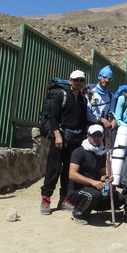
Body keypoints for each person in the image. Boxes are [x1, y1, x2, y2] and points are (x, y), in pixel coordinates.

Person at [40, 70, 88, 215]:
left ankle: (64, 199)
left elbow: (82, 120)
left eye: (81, 80)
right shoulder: (61, 95)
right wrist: (57, 135)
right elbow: (52, 116)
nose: (78, 83)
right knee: (53, 169)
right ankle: (45, 199)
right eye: (76, 80)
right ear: (70, 81)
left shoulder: (82, 99)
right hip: (60, 138)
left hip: (75, 140)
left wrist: (84, 136)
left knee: (69, 170)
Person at [67, 124, 124, 225]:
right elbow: (72, 174)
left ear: (103, 136)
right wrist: (93, 182)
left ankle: (89, 210)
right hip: (77, 190)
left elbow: (102, 175)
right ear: (88, 136)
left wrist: (106, 178)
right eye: (94, 135)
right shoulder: (79, 152)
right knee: (93, 195)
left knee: (119, 198)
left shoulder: (101, 153)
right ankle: (78, 213)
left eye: (99, 135)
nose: (96, 138)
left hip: (95, 188)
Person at [86, 65, 116, 145]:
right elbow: (87, 114)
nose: (106, 80)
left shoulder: (111, 96)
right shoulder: (89, 93)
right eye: (104, 77)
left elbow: (111, 111)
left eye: (109, 79)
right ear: (99, 77)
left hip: (103, 130)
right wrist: (101, 120)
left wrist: (113, 120)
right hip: (90, 128)